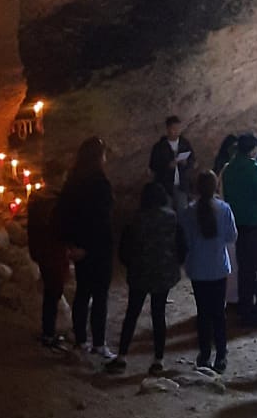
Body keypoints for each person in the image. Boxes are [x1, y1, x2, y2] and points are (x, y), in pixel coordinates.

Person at [105, 182, 185, 375]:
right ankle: (158, 360)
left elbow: (124, 249)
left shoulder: (135, 220)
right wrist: (174, 264)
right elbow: (181, 245)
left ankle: (122, 356)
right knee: (158, 315)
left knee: (132, 313)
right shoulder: (172, 219)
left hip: (140, 272)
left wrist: (131, 264)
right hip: (163, 273)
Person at [53, 137, 116, 355]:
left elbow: (63, 215)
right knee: (99, 296)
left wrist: (72, 244)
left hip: (80, 248)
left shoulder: (73, 181)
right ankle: (98, 342)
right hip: (98, 249)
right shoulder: (100, 183)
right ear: (98, 157)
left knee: (83, 293)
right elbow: (100, 220)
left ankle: (81, 339)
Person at [182, 170, 235, 373]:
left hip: (197, 267)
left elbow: (185, 240)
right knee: (218, 313)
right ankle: (221, 354)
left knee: (203, 313)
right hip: (218, 266)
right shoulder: (224, 209)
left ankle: (204, 354)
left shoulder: (188, 211)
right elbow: (231, 236)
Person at [221, 133, 257, 323]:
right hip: (256, 223)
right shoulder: (255, 169)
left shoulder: (228, 170)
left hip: (238, 224)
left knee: (245, 268)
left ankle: (245, 307)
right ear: (253, 149)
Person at [27, 180, 70, 348]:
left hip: (41, 249)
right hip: (54, 251)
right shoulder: (55, 201)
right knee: (54, 291)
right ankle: (49, 334)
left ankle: (48, 331)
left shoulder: (36, 199)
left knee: (50, 291)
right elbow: (61, 227)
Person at [149, 116, 195, 208]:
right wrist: (168, 166)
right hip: (165, 186)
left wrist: (186, 163)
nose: (177, 131)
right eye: (174, 129)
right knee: (167, 213)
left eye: (178, 128)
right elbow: (153, 166)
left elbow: (192, 160)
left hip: (182, 185)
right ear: (168, 129)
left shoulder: (185, 144)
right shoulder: (159, 147)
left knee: (183, 212)